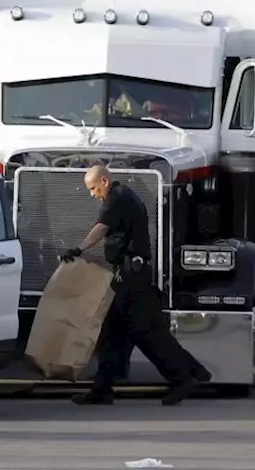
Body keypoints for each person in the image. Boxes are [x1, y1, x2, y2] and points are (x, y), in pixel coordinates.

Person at [61, 165, 207, 406]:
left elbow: (102, 228)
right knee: (112, 331)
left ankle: (183, 377)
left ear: (105, 181)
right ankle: (103, 387)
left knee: (145, 332)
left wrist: (79, 249)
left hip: (131, 275)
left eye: (93, 188)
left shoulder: (116, 199)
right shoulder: (124, 196)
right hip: (128, 272)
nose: (92, 193)